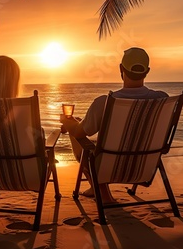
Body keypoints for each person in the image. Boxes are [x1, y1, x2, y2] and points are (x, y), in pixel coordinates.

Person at [60, 47, 168, 202]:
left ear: (121, 69)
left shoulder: (104, 103)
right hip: (144, 168)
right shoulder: (162, 100)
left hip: (108, 169)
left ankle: (104, 195)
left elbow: (79, 133)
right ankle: (94, 187)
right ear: (147, 71)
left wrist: (66, 122)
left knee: (77, 136)